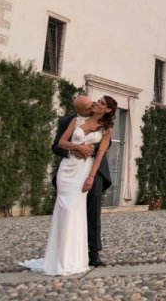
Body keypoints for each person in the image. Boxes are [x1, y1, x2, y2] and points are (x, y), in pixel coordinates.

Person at [20, 95, 116, 275]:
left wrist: (89, 150)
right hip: (71, 168)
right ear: (80, 110)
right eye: (88, 106)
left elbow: (105, 145)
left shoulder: (105, 126)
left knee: (93, 209)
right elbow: (56, 146)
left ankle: (93, 253)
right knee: (69, 210)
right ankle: (63, 253)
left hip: (94, 171)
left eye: (94, 103)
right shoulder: (70, 121)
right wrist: (76, 149)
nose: (93, 105)